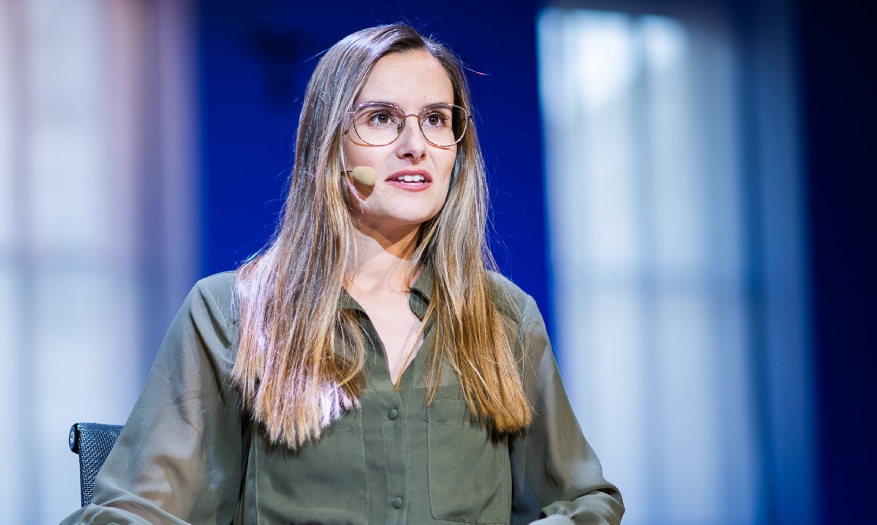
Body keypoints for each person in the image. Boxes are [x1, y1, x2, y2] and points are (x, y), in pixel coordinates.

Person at [61, 23, 623, 525]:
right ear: (329, 144)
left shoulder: (504, 317)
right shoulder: (232, 313)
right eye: (381, 119)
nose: (415, 146)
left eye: (435, 120)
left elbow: (586, 500)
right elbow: (130, 512)